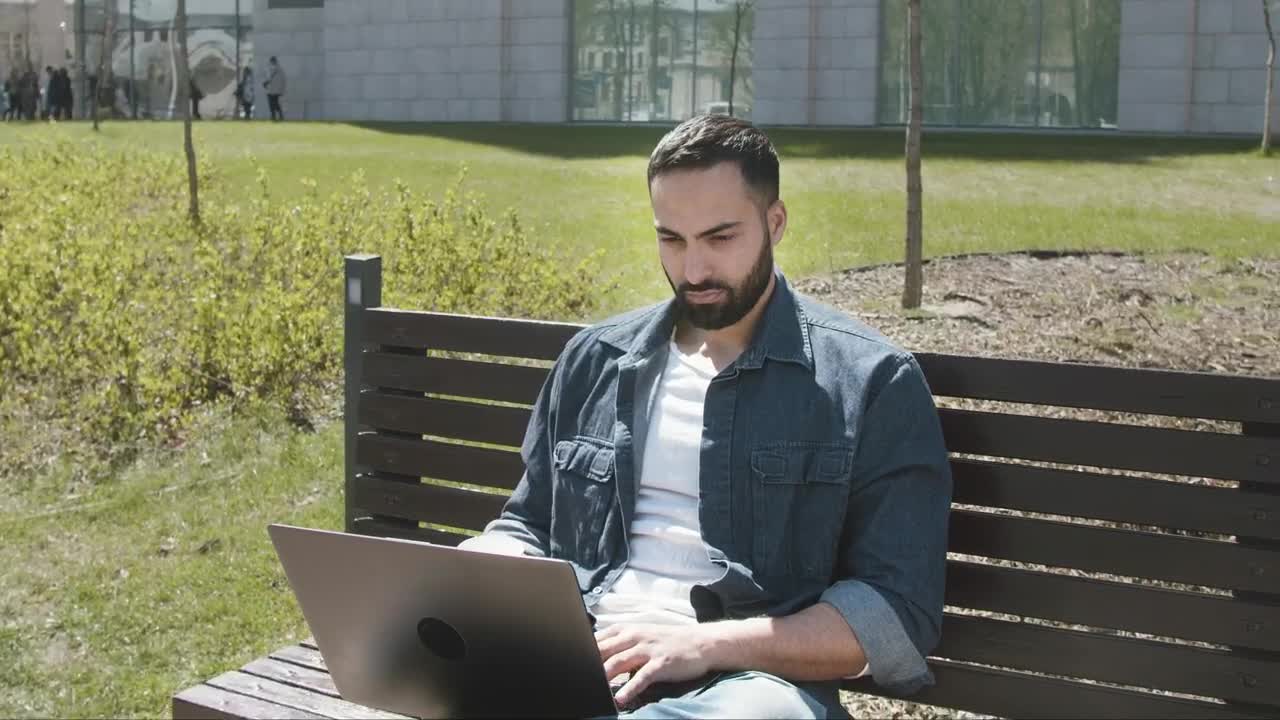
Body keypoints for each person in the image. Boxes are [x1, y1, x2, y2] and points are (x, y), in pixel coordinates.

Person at [457, 115, 952, 719]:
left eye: (719, 239)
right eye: (672, 239)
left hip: (746, 683)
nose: (693, 272)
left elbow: (895, 611)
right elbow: (529, 523)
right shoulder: (597, 358)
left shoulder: (869, 381)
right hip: (581, 661)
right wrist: (492, 558)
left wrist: (703, 644)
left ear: (775, 222)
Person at [263, 56, 286, 121]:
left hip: (271, 90)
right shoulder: (281, 69)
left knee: (272, 104)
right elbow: (283, 80)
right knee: (276, 103)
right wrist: (282, 90)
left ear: (271, 61)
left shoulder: (270, 68)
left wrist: (265, 83)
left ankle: (274, 116)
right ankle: (279, 115)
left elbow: (269, 78)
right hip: (277, 90)